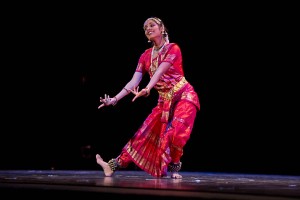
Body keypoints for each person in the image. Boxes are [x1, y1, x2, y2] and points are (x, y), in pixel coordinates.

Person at [96, 17, 200, 179]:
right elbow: (134, 81)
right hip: (164, 101)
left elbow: (159, 71)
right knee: (143, 135)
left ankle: (174, 167)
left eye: (152, 25)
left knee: (176, 132)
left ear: (162, 28)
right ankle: (112, 165)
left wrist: (148, 88)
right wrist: (114, 99)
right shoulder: (145, 56)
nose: (148, 29)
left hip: (184, 95)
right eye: (145, 27)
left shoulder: (173, 49)